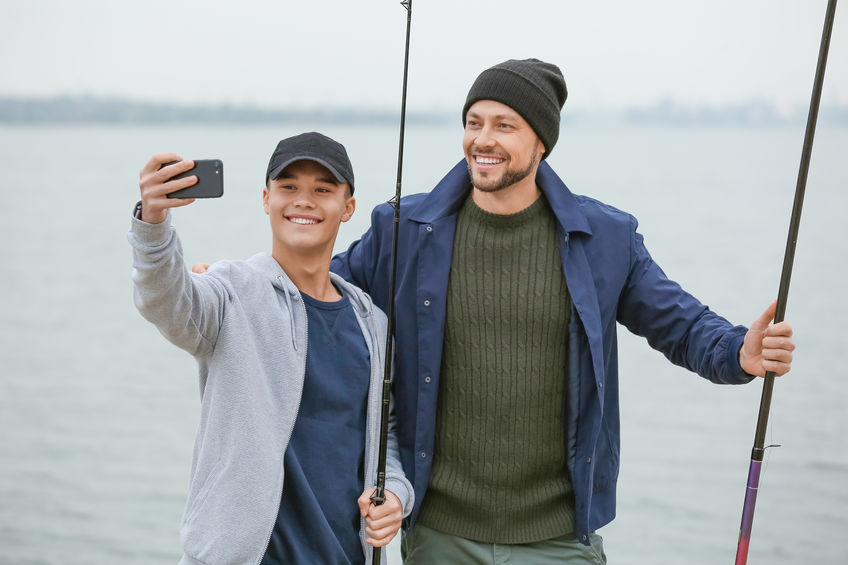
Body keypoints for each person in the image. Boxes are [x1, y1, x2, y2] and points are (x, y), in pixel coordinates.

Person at [327, 59, 796, 564]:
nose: (482, 139)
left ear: (541, 143)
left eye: (504, 126)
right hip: (440, 535)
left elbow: (680, 325)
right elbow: (320, 299)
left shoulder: (605, 238)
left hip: (558, 540)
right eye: (474, 122)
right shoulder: (401, 230)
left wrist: (737, 351)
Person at [128, 132, 413, 565]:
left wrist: (394, 491)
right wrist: (152, 222)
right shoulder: (231, 291)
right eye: (288, 187)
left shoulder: (373, 323)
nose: (304, 200)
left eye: (323, 189)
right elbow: (166, 300)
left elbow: (386, 434)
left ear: (348, 207)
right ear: (266, 199)